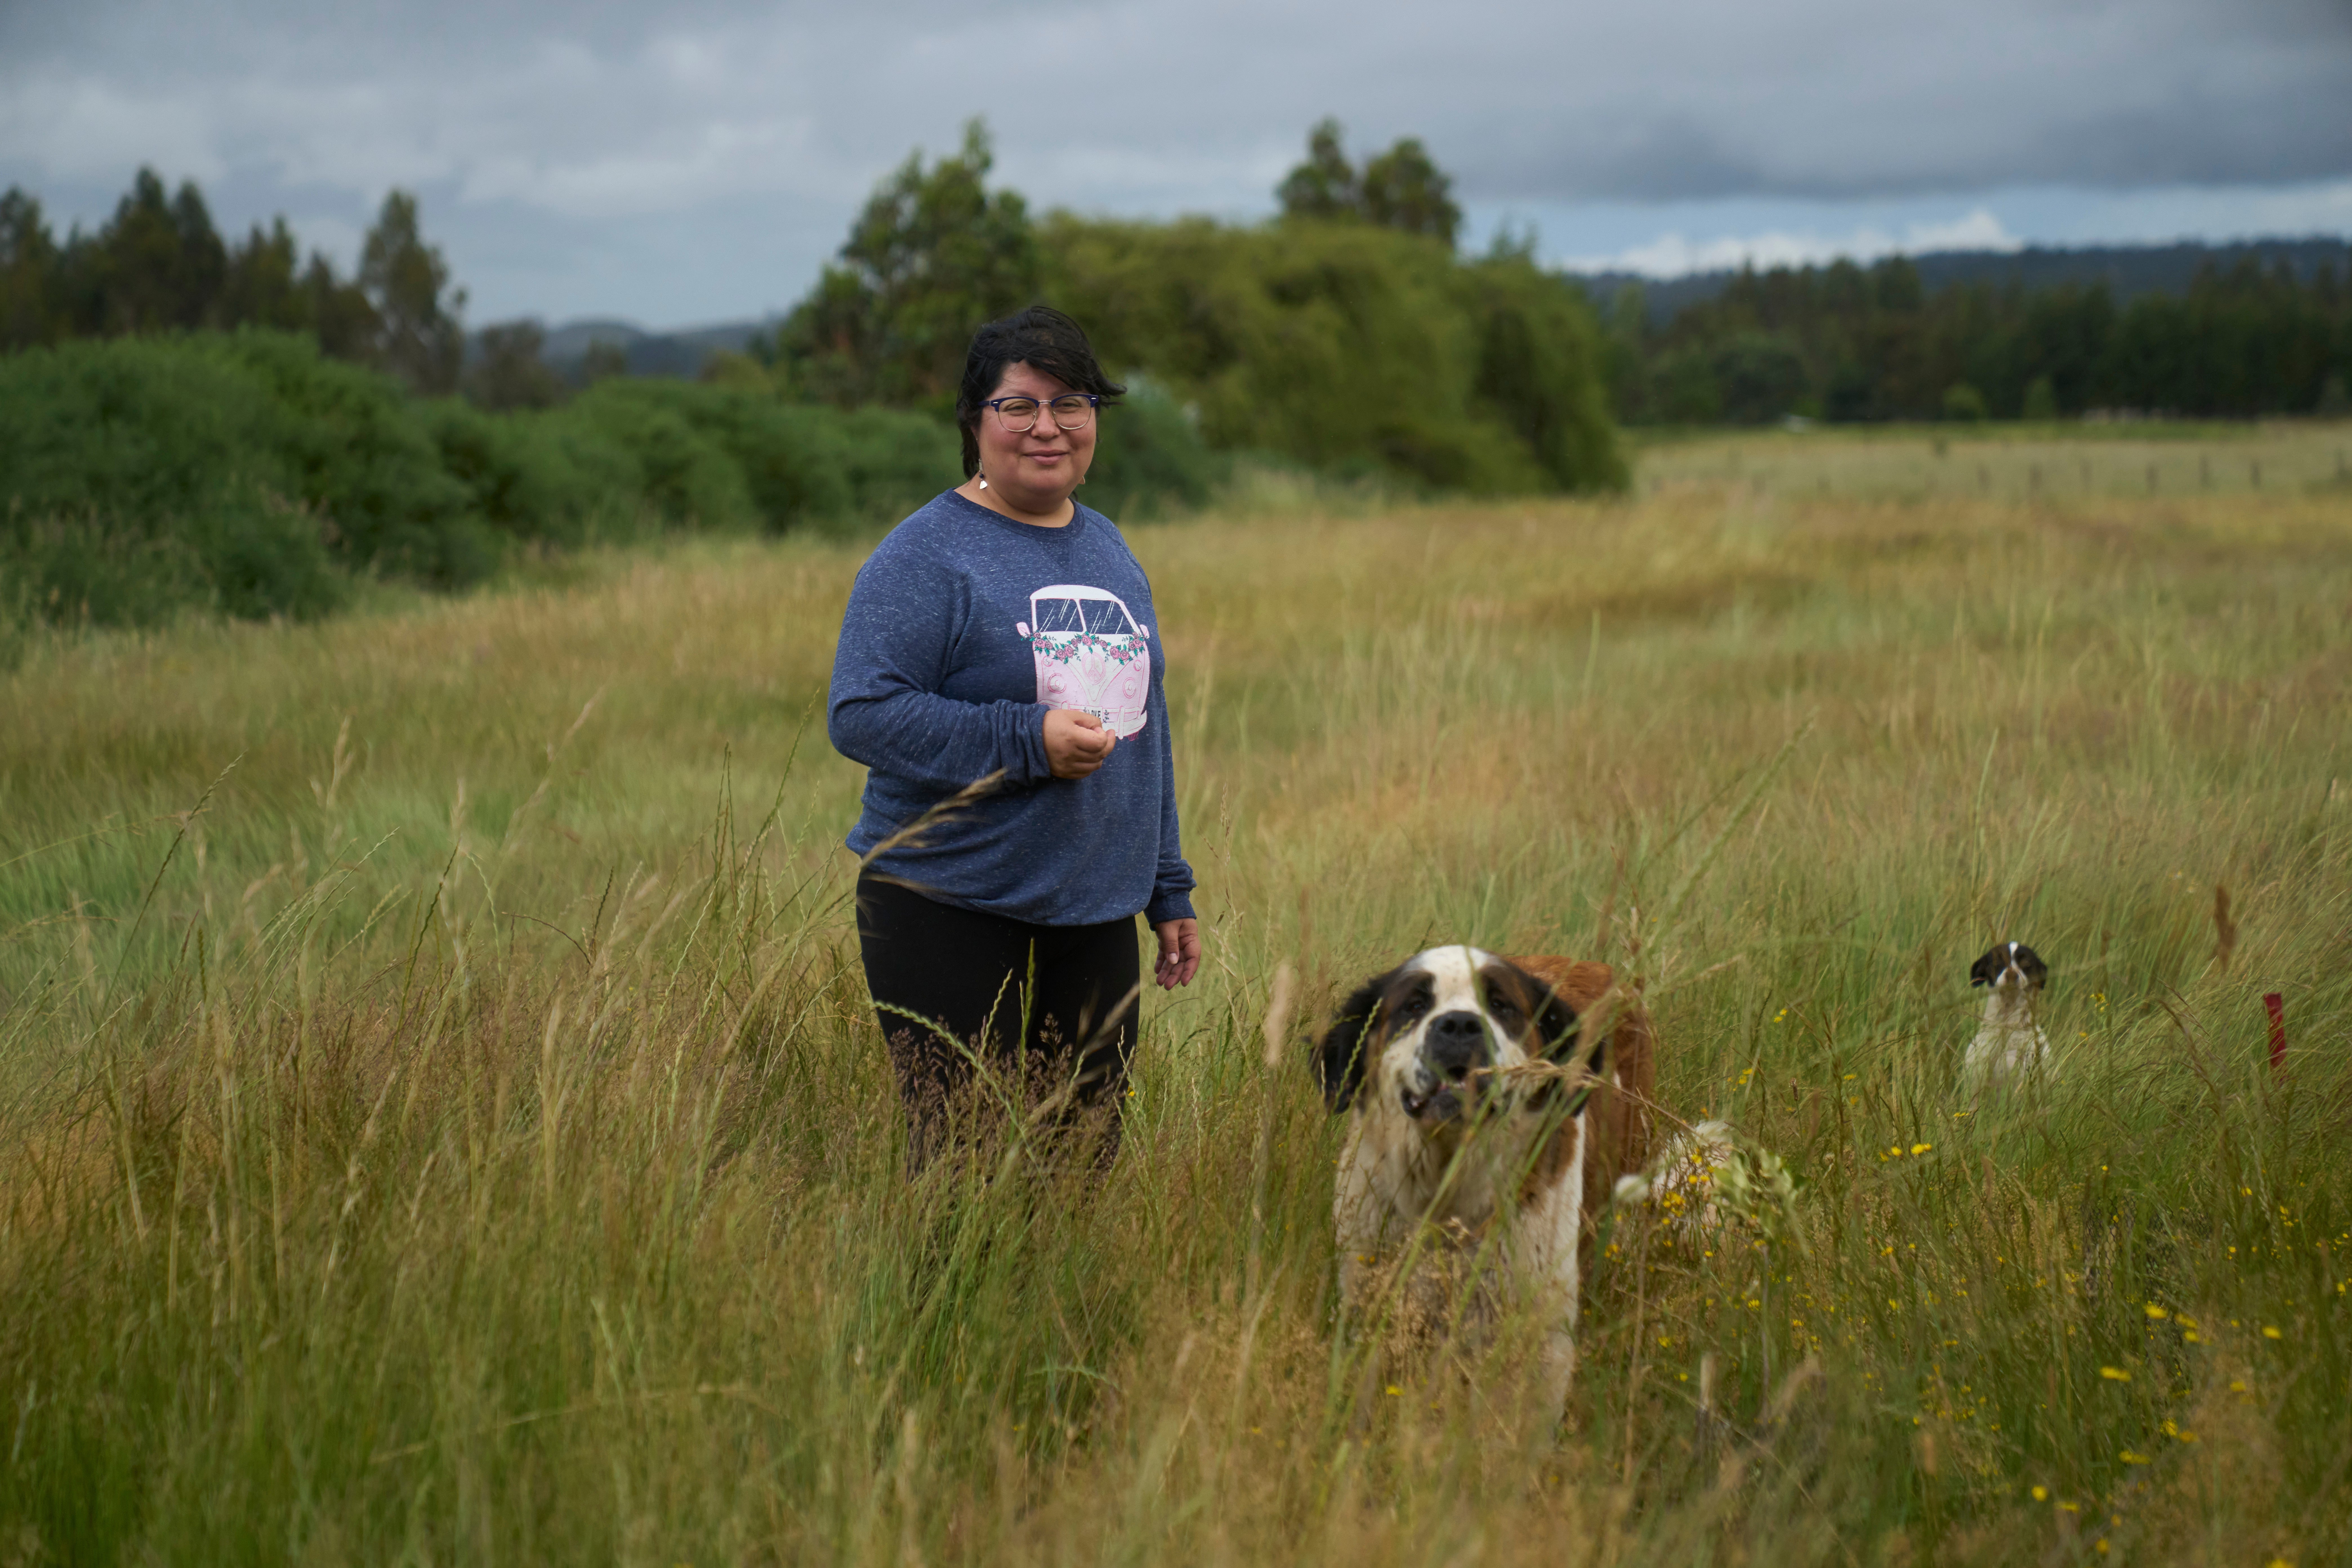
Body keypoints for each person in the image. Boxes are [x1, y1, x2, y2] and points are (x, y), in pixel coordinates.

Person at [827, 305, 1202, 1165]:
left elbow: (1145, 726)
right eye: (1019, 405)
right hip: (948, 901)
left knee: (1082, 1160)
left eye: (1071, 403)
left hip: (1095, 906)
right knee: (961, 1166)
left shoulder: (1108, 548)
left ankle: (1052, 1307)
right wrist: (1028, 738)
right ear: (974, 420)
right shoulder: (926, 555)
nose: (1047, 427)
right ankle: (940, 1309)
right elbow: (861, 711)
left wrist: (1166, 884)